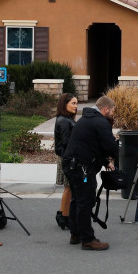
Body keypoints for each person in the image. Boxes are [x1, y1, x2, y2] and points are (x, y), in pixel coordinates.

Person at [62, 95, 118, 251]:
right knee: (85, 201)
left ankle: (76, 233)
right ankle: (87, 239)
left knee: (77, 199)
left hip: (71, 165)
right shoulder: (100, 122)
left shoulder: (86, 119)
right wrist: (114, 147)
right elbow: (109, 147)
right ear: (106, 109)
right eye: (112, 110)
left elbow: (92, 145)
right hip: (83, 169)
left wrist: (105, 162)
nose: (112, 112)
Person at [54, 94, 78, 230]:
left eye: (76, 103)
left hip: (66, 157)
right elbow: (66, 142)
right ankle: (64, 216)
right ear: (65, 104)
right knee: (69, 187)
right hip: (66, 158)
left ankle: (63, 214)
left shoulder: (66, 119)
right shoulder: (63, 120)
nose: (76, 106)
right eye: (73, 103)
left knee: (69, 187)